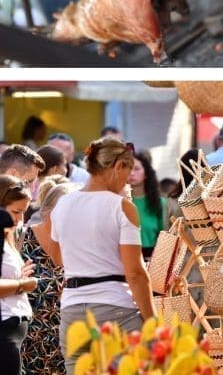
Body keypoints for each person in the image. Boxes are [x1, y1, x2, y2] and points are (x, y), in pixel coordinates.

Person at [49, 138, 155, 374]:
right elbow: (135, 274)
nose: (126, 181)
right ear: (118, 166)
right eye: (126, 173)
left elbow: (58, 258)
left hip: (72, 309)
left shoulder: (63, 204)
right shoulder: (121, 206)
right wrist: (152, 323)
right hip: (115, 309)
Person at [21, 180, 77, 375]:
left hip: (67, 349)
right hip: (28, 349)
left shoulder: (80, 246)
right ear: (46, 213)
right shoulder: (21, 241)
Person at [0, 178, 37, 373]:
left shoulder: (8, 237)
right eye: (16, 212)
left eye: (24, 212)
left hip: (12, 331)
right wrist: (22, 284)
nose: (20, 219)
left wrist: (19, 278)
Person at [128, 152, 165, 260]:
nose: (131, 173)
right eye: (127, 168)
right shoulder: (118, 202)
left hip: (153, 258)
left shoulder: (159, 202)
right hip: (125, 257)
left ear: (146, 173)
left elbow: (165, 235)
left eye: (136, 169)